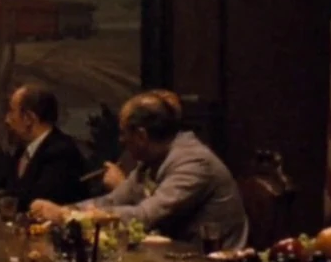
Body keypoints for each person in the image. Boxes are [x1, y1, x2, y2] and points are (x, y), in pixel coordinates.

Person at [31, 91, 247, 248]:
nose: (121, 140)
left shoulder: (193, 162)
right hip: (174, 260)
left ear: (141, 136)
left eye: (124, 133)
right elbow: (112, 201)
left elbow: (144, 216)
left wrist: (68, 216)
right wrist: (61, 210)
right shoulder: (152, 160)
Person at [0, 84, 90, 208]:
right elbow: (6, 187)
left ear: (29, 118)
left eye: (11, 112)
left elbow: (36, 202)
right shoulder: (23, 151)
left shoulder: (61, 151)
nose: (7, 120)